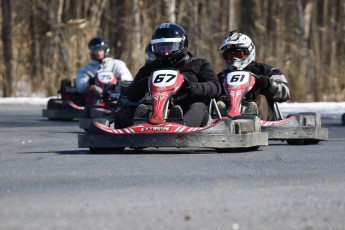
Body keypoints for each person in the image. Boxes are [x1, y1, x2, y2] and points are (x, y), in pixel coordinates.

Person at [126, 23, 221, 127]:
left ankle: (180, 126)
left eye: (170, 47)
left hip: (187, 109)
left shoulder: (198, 64)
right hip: (153, 109)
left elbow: (215, 87)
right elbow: (131, 94)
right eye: (162, 47)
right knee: (130, 108)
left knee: (198, 106)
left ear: (182, 45)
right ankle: (139, 126)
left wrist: (190, 87)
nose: (166, 52)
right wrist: (146, 82)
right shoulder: (149, 68)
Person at [217, 30, 290, 120]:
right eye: (230, 56)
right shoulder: (222, 76)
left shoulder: (266, 71)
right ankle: (222, 120)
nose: (234, 58)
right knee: (220, 101)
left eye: (239, 54)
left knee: (261, 98)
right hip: (229, 121)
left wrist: (267, 84)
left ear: (249, 52)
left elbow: (285, 92)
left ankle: (252, 119)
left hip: (262, 123)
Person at [75, 36, 133, 105]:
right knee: (94, 90)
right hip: (95, 99)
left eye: (100, 50)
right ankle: (95, 108)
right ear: (91, 52)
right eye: (96, 51)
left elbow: (129, 79)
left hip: (116, 95)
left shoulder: (117, 64)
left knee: (124, 92)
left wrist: (118, 80)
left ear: (106, 50)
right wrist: (91, 81)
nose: (98, 53)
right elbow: (80, 88)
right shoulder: (85, 69)